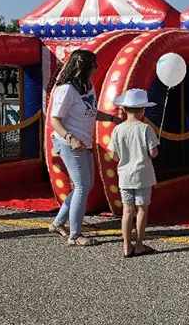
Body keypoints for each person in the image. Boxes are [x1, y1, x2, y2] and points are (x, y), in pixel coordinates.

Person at [49, 49, 120, 247]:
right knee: (81, 186)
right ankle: (74, 234)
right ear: (83, 66)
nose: (96, 69)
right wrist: (70, 138)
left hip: (84, 142)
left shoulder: (87, 87)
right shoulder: (66, 90)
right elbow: (55, 120)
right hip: (69, 143)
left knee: (85, 186)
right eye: (94, 65)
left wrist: (112, 118)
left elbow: (91, 111)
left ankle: (58, 223)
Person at [108, 89, 159, 258]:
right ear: (142, 109)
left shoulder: (117, 130)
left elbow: (112, 154)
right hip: (143, 175)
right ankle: (139, 244)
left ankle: (125, 246)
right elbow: (153, 153)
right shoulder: (146, 129)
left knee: (127, 211)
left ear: (123, 109)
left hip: (125, 175)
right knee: (142, 209)